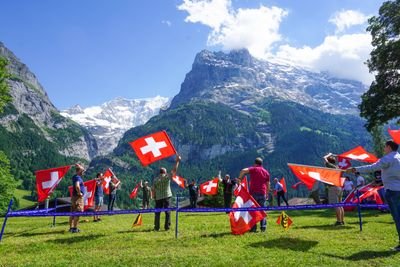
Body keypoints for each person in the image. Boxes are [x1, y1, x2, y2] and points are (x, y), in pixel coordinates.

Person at [347, 140, 400, 251]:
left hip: (392, 191)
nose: (384, 149)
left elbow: (372, 167)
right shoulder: (398, 157)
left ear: (389, 147)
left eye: (385, 147)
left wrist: (355, 169)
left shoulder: (387, 158)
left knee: (397, 217)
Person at [238, 157, 270, 232]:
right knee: (262, 211)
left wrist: (239, 179)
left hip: (253, 193)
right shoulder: (266, 172)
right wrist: (267, 193)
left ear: (255, 163)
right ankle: (263, 228)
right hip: (263, 193)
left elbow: (243, 170)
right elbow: (268, 184)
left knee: (252, 211)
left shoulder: (254, 169)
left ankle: (253, 228)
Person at [153, 155, 181, 231]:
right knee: (167, 212)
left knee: (157, 213)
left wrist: (154, 196)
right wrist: (177, 161)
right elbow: (174, 171)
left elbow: (153, 189)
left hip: (158, 198)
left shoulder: (155, 180)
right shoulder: (167, 177)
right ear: (165, 172)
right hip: (167, 197)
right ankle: (167, 227)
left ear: (160, 172)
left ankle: (156, 227)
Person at [323, 153, 345, 226]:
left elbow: (325, 160)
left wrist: (328, 155)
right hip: (339, 187)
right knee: (340, 205)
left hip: (333, 187)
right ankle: (342, 220)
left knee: (336, 205)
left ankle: (338, 221)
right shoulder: (337, 167)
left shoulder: (331, 166)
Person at [69, 163, 86, 233]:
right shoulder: (78, 177)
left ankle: (71, 228)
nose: (83, 172)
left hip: (74, 197)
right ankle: (75, 228)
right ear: (79, 171)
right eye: (82, 171)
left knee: (72, 212)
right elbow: (77, 186)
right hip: (77, 197)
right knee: (78, 212)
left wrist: (78, 166)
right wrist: (80, 193)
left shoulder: (75, 176)